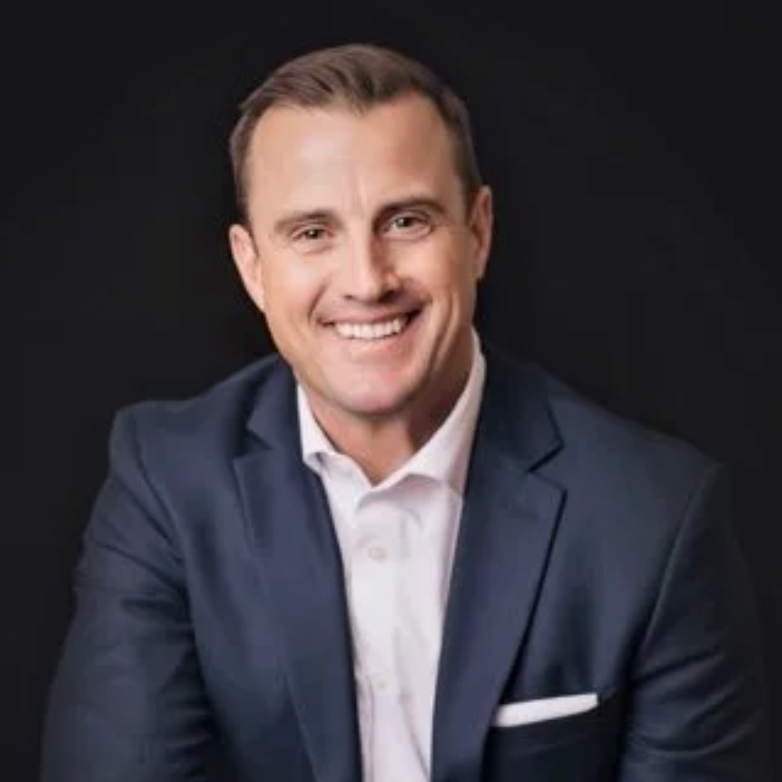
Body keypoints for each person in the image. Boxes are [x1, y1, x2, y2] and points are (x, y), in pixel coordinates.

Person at [40, 43, 771, 781]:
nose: (367, 280)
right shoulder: (167, 484)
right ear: (252, 266)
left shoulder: (653, 518)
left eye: (406, 221)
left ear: (478, 232)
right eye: (312, 233)